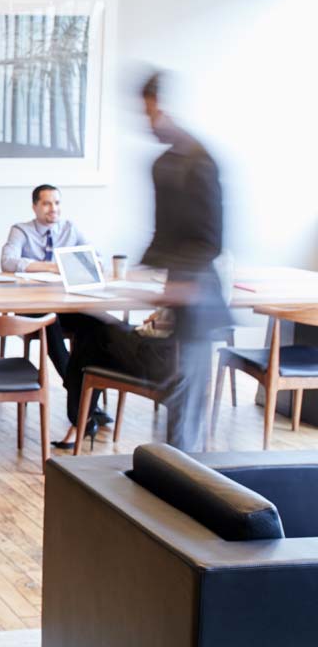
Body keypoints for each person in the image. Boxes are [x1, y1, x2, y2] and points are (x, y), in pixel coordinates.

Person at [52, 71, 229, 452]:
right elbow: (162, 237)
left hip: (195, 312)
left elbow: (210, 241)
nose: (149, 123)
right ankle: (88, 425)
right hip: (170, 313)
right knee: (89, 327)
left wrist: (178, 288)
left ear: (167, 108)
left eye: (151, 113)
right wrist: (139, 279)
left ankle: (182, 483)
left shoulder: (200, 162)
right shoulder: (162, 165)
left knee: (184, 421)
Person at [0, 184, 104, 396]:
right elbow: (8, 262)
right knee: (50, 322)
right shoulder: (21, 230)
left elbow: (95, 258)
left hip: (65, 306)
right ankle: (78, 390)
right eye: (46, 203)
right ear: (35, 207)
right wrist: (52, 266)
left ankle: (89, 389)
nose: (53, 208)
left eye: (56, 203)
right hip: (32, 307)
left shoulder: (69, 229)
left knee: (97, 323)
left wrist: (88, 263)